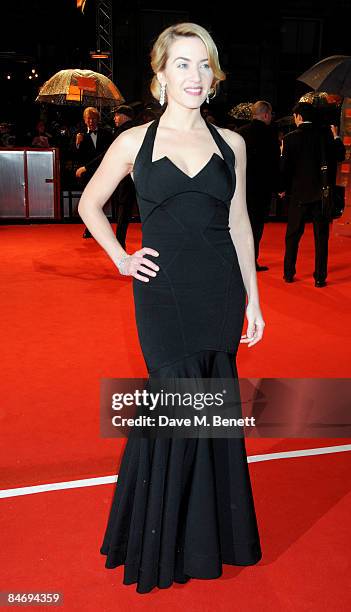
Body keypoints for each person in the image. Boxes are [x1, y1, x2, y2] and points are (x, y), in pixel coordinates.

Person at [78, 22, 265, 594]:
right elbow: (90, 203)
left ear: (215, 76)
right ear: (159, 74)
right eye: (182, 64)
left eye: (204, 64)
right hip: (162, 296)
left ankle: (204, 537)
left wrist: (254, 299)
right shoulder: (135, 141)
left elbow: (238, 224)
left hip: (219, 292)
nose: (195, 76)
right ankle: (160, 538)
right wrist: (120, 258)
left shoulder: (230, 144)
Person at [280, 101, 345, 287]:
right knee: (321, 237)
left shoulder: (290, 138)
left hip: (298, 195)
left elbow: (285, 169)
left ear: (299, 117)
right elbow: (340, 155)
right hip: (321, 195)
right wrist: (337, 137)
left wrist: (281, 188)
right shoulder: (325, 136)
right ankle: (319, 277)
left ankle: (288, 272)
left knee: (292, 235)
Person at [77, 106, 137, 248]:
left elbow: (108, 153)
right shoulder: (135, 129)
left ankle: (119, 240)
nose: (114, 118)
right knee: (124, 205)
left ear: (124, 116)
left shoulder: (121, 132)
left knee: (120, 205)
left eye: (116, 115)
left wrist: (86, 167)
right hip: (131, 173)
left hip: (122, 173)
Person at [237, 101, 281, 271]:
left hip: (241, 188)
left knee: (239, 225)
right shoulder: (270, 135)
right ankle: (251, 261)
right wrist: (279, 187)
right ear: (265, 115)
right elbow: (274, 164)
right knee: (256, 227)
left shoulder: (240, 133)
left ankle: (237, 260)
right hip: (260, 189)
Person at [75, 107, 113, 238]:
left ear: (98, 119)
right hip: (88, 175)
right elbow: (75, 156)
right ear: (85, 120)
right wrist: (77, 144)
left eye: (93, 118)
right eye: (88, 118)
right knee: (90, 202)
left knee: (98, 202)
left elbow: (105, 154)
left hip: (103, 172)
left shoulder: (107, 134)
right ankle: (90, 228)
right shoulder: (81, 136)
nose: (91, 121)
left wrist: (86, 167)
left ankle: (97, 228)